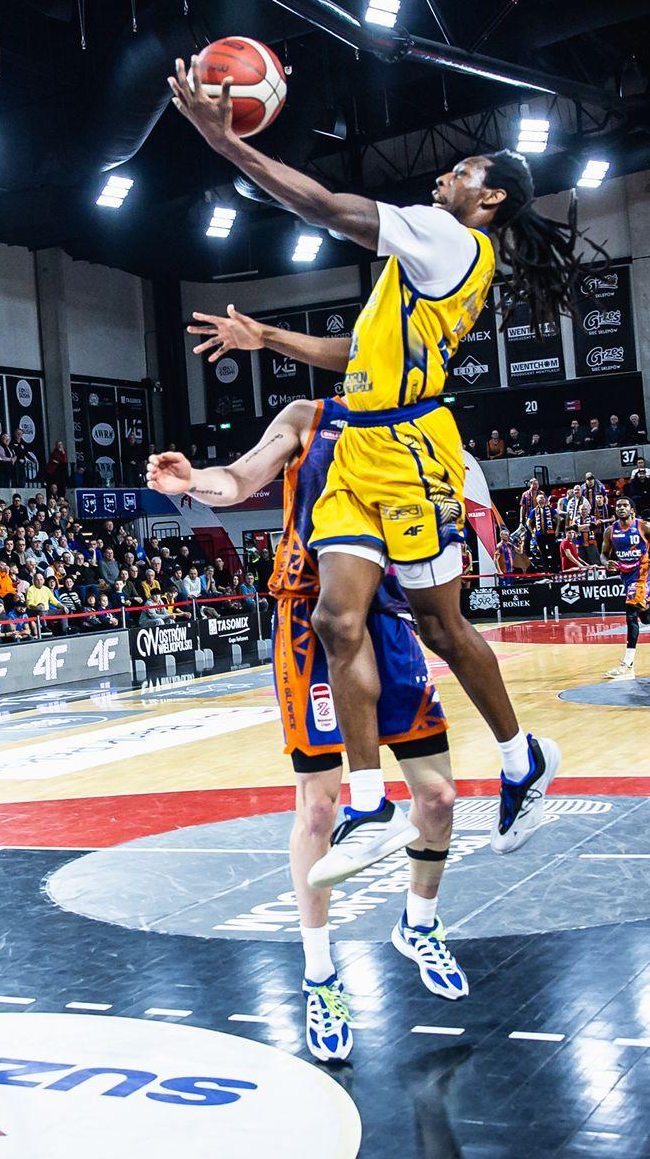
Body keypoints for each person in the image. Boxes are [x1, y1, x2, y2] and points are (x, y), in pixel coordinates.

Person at [169, 56, 569, 877]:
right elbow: (354, 352)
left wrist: (226, 144)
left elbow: (321, 205)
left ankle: (522, 756)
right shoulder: (421, 262)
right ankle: (367, 801)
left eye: (463, 170)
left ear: (490, 198)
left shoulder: (449, 238)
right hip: (360, 446)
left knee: (440, 627)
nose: (445, 174)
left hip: (413, 453)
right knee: (335, 620)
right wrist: (267, 337)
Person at [147, 399, 465, 1064]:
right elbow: (241, 479)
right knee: (319, 807)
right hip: (308, 615)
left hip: (387, 611)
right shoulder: (310, 417)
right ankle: (320, 976)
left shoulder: (419, 421)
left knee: (438, 798)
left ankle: (420, 923)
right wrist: (194, 480)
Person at [598, 496, 650, 678]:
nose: (621, 508)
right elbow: (603, 554)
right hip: (626, 575)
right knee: (645, 618)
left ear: (632, 509)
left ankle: (627, 663)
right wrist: (606, 563)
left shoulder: (644, 526)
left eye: (625, 505)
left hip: (642, 574)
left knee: (630, 615)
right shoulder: (610, 531)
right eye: (618, 506)